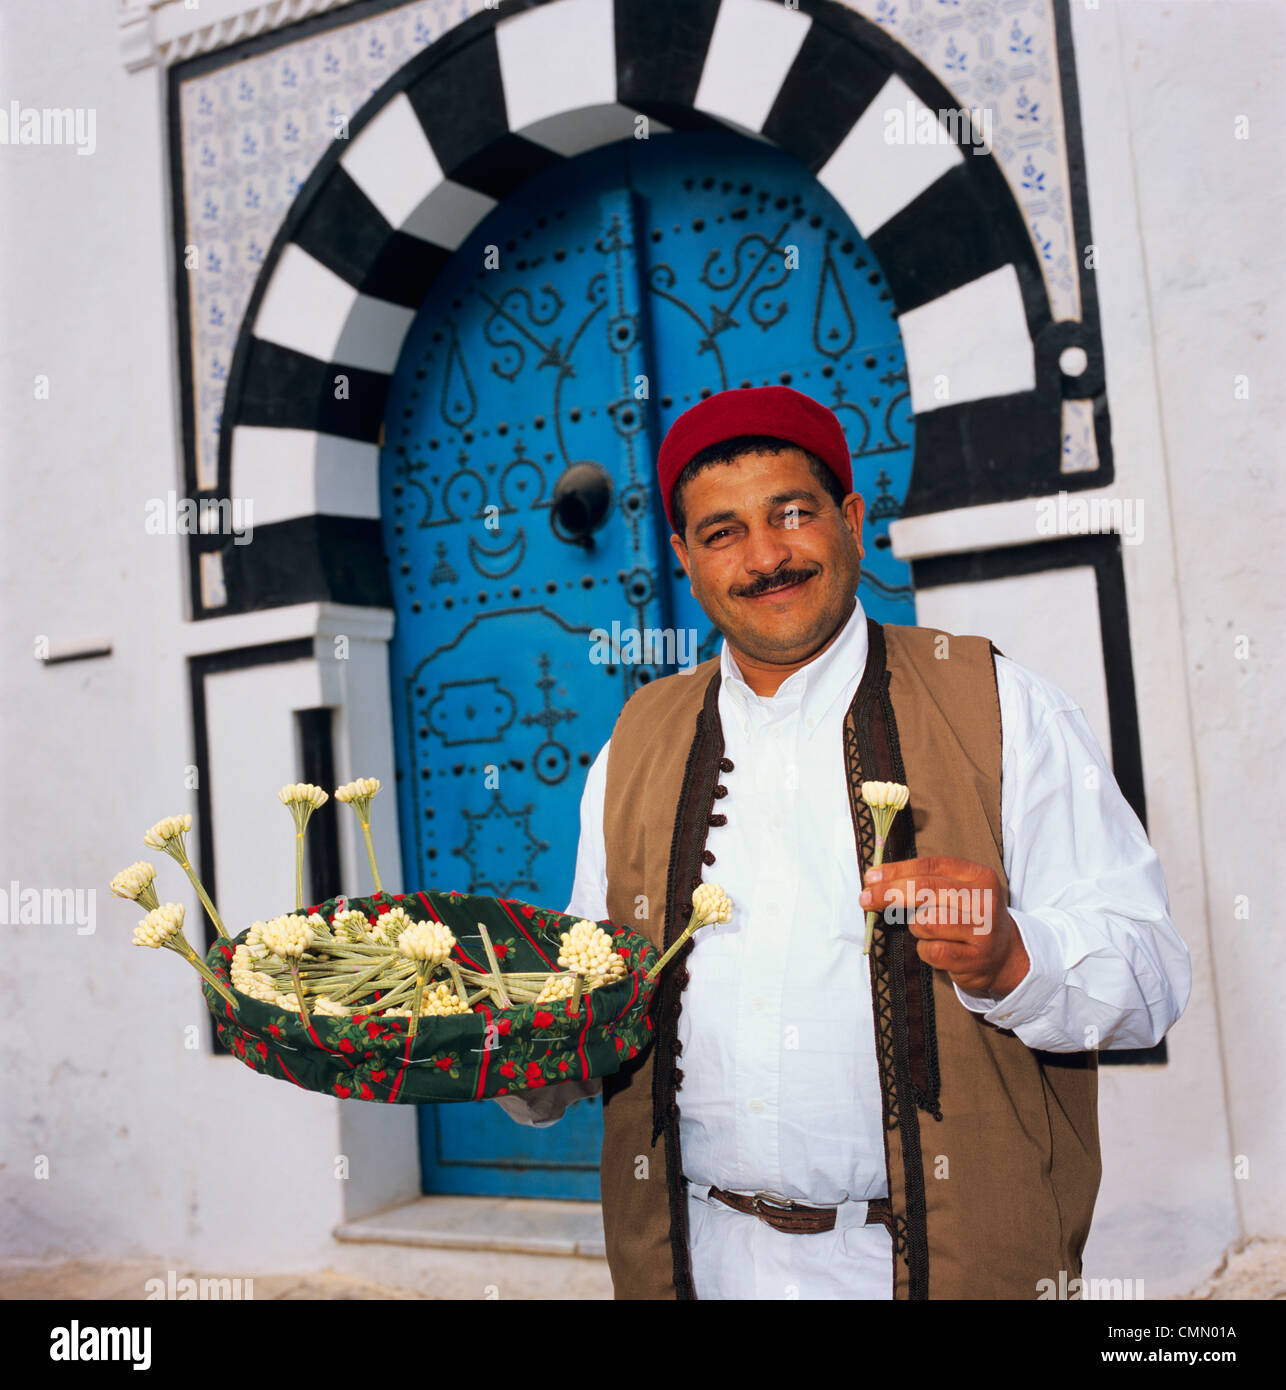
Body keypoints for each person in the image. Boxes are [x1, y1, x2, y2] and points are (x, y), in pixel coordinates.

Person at [495, 385, 1190, 1300]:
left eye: (793, 514)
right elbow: (598, 997)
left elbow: (1150, 979)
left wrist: (1015, 959)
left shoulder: (996, 707)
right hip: (694, 1262)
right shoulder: (638, 741)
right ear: (685, 560)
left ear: (853, 520)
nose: (766, 557)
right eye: (722, 532)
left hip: (931, 1267)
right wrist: (482, 1042)